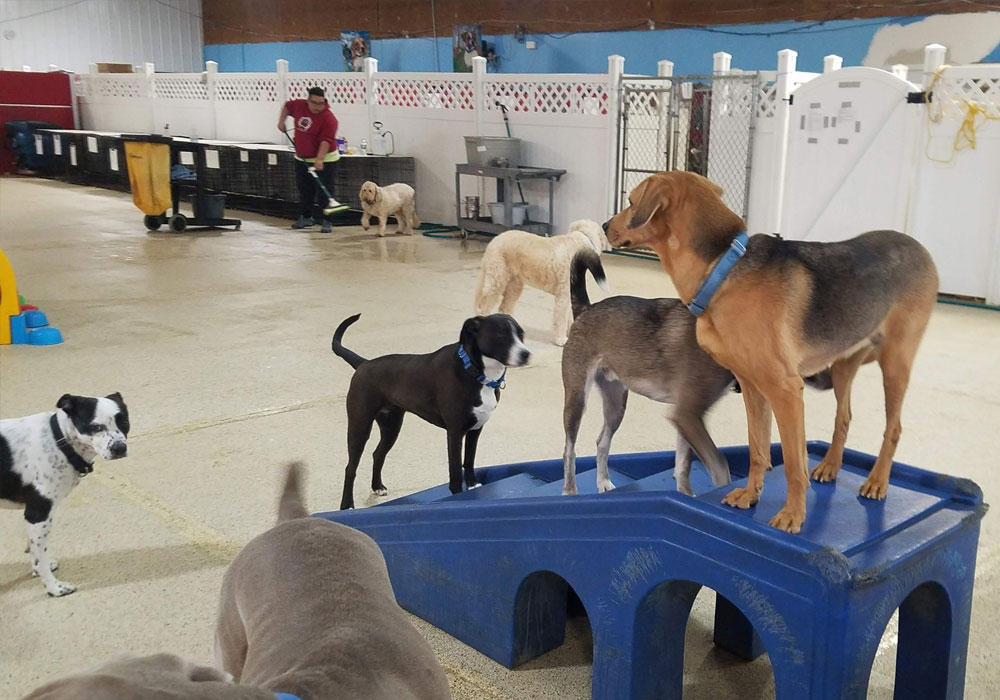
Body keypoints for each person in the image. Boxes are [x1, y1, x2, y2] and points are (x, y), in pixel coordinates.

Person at [278, 87, 347, 233]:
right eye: (314, 103)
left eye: (321, 103)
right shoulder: (299, 105)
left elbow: (326, 140)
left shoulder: (329, 118)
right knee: (304, 189)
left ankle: (327, 220)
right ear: (308, 100)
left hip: (326, 159)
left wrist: (320, 159)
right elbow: (287, 106)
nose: (317, 107)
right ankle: (306, 217)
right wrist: (281, 122)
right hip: (302, 157)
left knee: (324, 191)